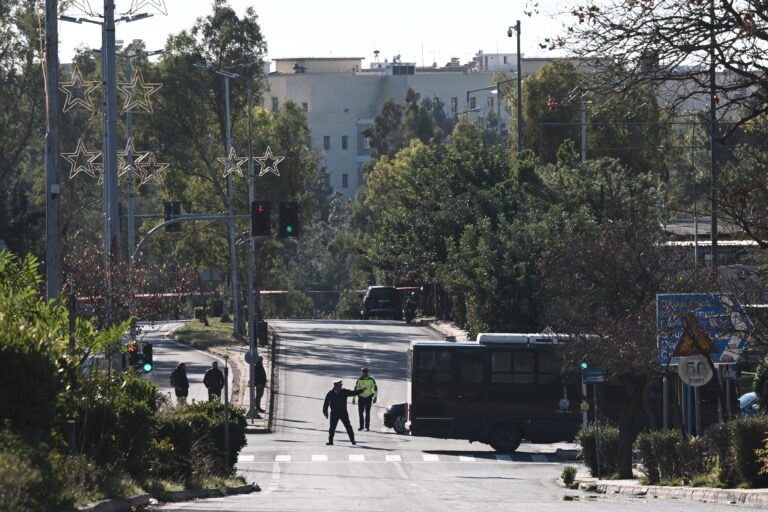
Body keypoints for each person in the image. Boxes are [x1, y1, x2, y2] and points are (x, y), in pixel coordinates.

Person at [322, 380, 367, 446]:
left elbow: (353, 393)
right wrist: (325, 411)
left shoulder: (344, 391)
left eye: (341, 385)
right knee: (332, 427)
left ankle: (353, 441)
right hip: (334, 413)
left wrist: (362, 390)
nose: (341, 386)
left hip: (343, 412)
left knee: (348, 427)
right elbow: (326, 403)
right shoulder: (330, 393)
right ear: (336, 386)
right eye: (340, 385)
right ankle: (330, 441)